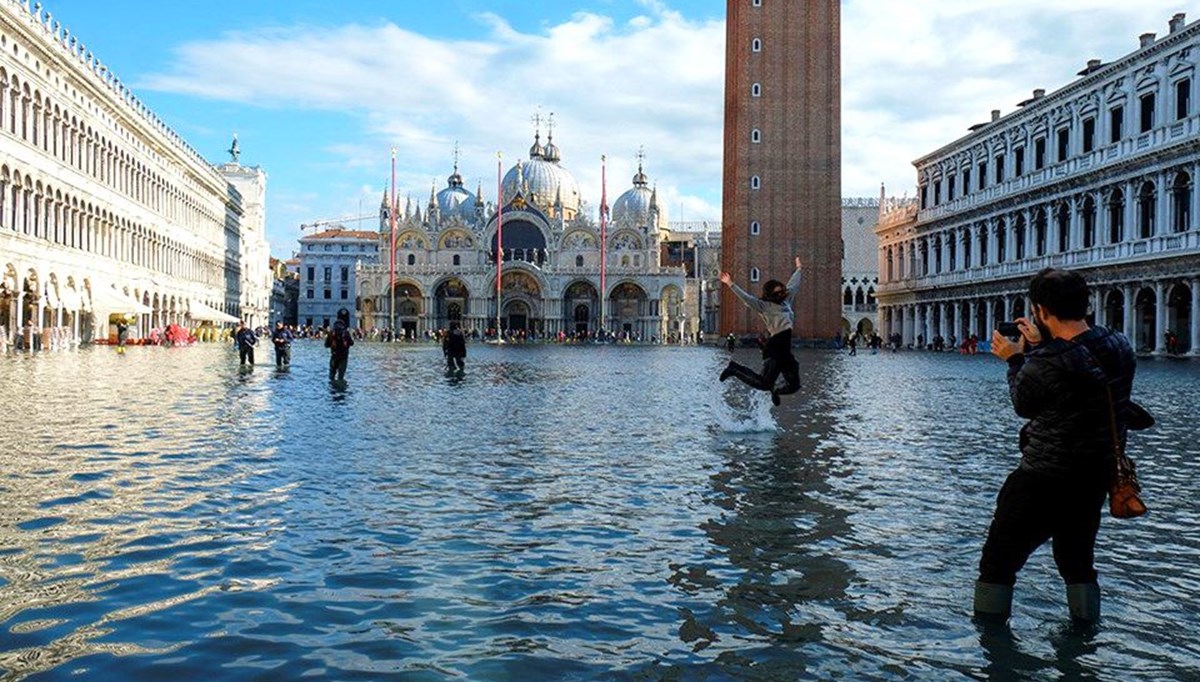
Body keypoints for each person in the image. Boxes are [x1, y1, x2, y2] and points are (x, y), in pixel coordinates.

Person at [978, 268, 1145, 624]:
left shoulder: (1043, 363)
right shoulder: (1119, 345)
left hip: (1042, 477)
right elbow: (1078, 367)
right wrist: (1042, 346)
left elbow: (1024, 404)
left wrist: (1014, 359)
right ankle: (1084, 636)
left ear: (1041, 310)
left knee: (997, 563)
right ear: (1085, 303)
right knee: (1077, 561)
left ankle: (991, 645)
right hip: (1094, 477)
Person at [718, 256, 803, 406]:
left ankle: (775, 391)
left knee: (794, 385)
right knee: (764, 383)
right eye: (776, 293)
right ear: (770, 294)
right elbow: (746, 298)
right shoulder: (764, 306)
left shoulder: (786, 300)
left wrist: (799, 269)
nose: (780, 294)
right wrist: (730, 283)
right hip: (775, 347)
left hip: (786, 348)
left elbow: (794, 285)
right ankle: (734, 368)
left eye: (781, 291)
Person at [325, 308, 354, 381]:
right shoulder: (346, 333)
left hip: (334, 356)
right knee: (341, 376)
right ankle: (340, 388)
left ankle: (332, 389)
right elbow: (351, 343)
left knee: (331, 375)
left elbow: (326, 345)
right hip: (343, 357)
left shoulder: (331, 333)